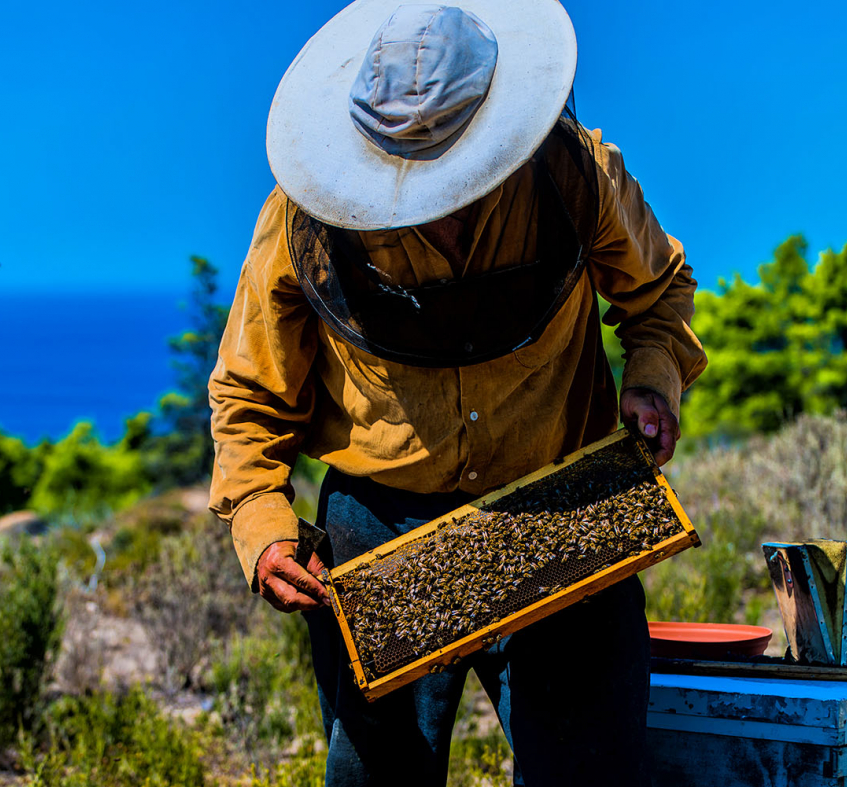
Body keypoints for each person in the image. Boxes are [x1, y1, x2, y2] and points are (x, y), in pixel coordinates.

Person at [208, 2, 707, 785]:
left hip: (560, 504)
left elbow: (659, 292)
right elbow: (250, 392)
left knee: (591, 771)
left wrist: (653, 383)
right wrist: (263, 525)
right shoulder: (302, 222)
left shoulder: (575, 173)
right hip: (380, 523)